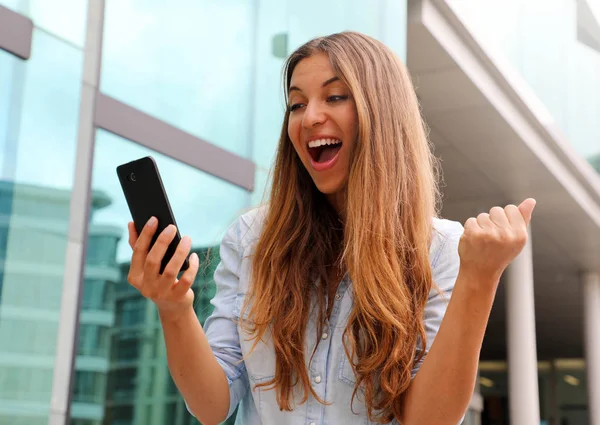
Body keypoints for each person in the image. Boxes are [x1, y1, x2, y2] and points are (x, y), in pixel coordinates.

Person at [125, 32, 536, 425]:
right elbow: (212, 405)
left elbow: (428, 419)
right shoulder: (251, 239)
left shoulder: (442, 247)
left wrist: (480, 278)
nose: (310, 117)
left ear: (382, 113)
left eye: (335, 97)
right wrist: (174, 308)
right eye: (296, 104)